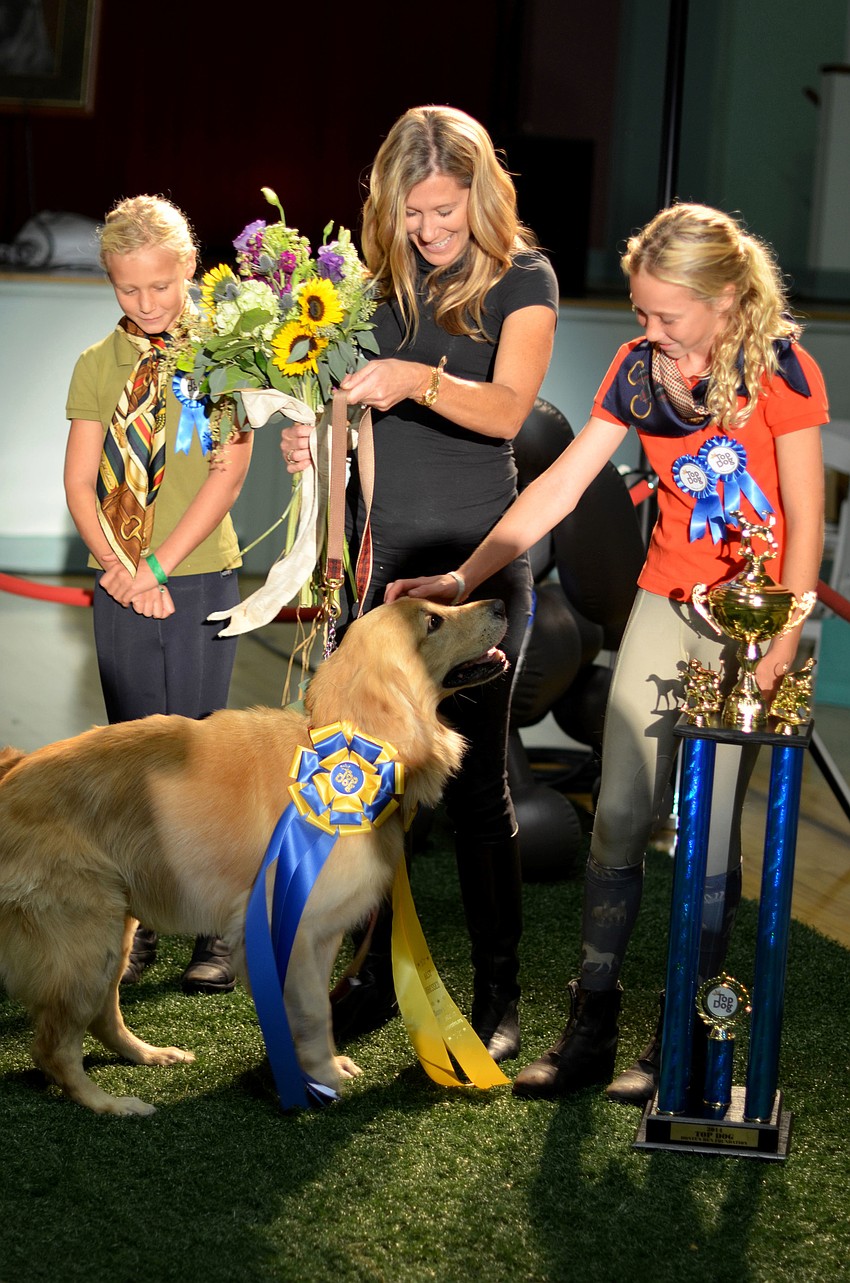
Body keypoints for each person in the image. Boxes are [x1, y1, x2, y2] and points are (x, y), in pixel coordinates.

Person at [386, 202, 828, 1101]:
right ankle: (591, 1024)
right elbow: (561, 485)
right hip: (666, 601)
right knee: (620, 814)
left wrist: (782, 638)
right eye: (640, 311)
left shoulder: (783, 369)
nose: (649, 328)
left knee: (710, 837)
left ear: (725, 297)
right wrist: (466, 575)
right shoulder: (636, 371)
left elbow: (807, 520)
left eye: (667, 313)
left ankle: (684, 1037)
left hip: (754, 625)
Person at [281, 105, 559, 1061]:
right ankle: (369, 977)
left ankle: (497, 992)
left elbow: (511, 409)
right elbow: (350, 418)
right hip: (381, 569)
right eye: (413, 214)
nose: (431, 230)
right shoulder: (370, 288)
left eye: (446, 210)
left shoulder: (524, 277)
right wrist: (314, 443)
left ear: (481, 196)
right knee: (364, 785)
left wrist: (417, 379)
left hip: (476, 566)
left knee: (477, 788)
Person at [64, 195, 254, 994]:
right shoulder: (95, 364)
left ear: (189, 270)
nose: (146, 303)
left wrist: (159, 567)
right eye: (128, 288)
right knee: (135, 759)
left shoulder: (224, 355)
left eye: (160, 286)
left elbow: (228, 473)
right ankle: (137, 921)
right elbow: (80, 481)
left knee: (203, 757)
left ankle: (215, 927)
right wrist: (119, 567)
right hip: (119, 581)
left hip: (197, 573)